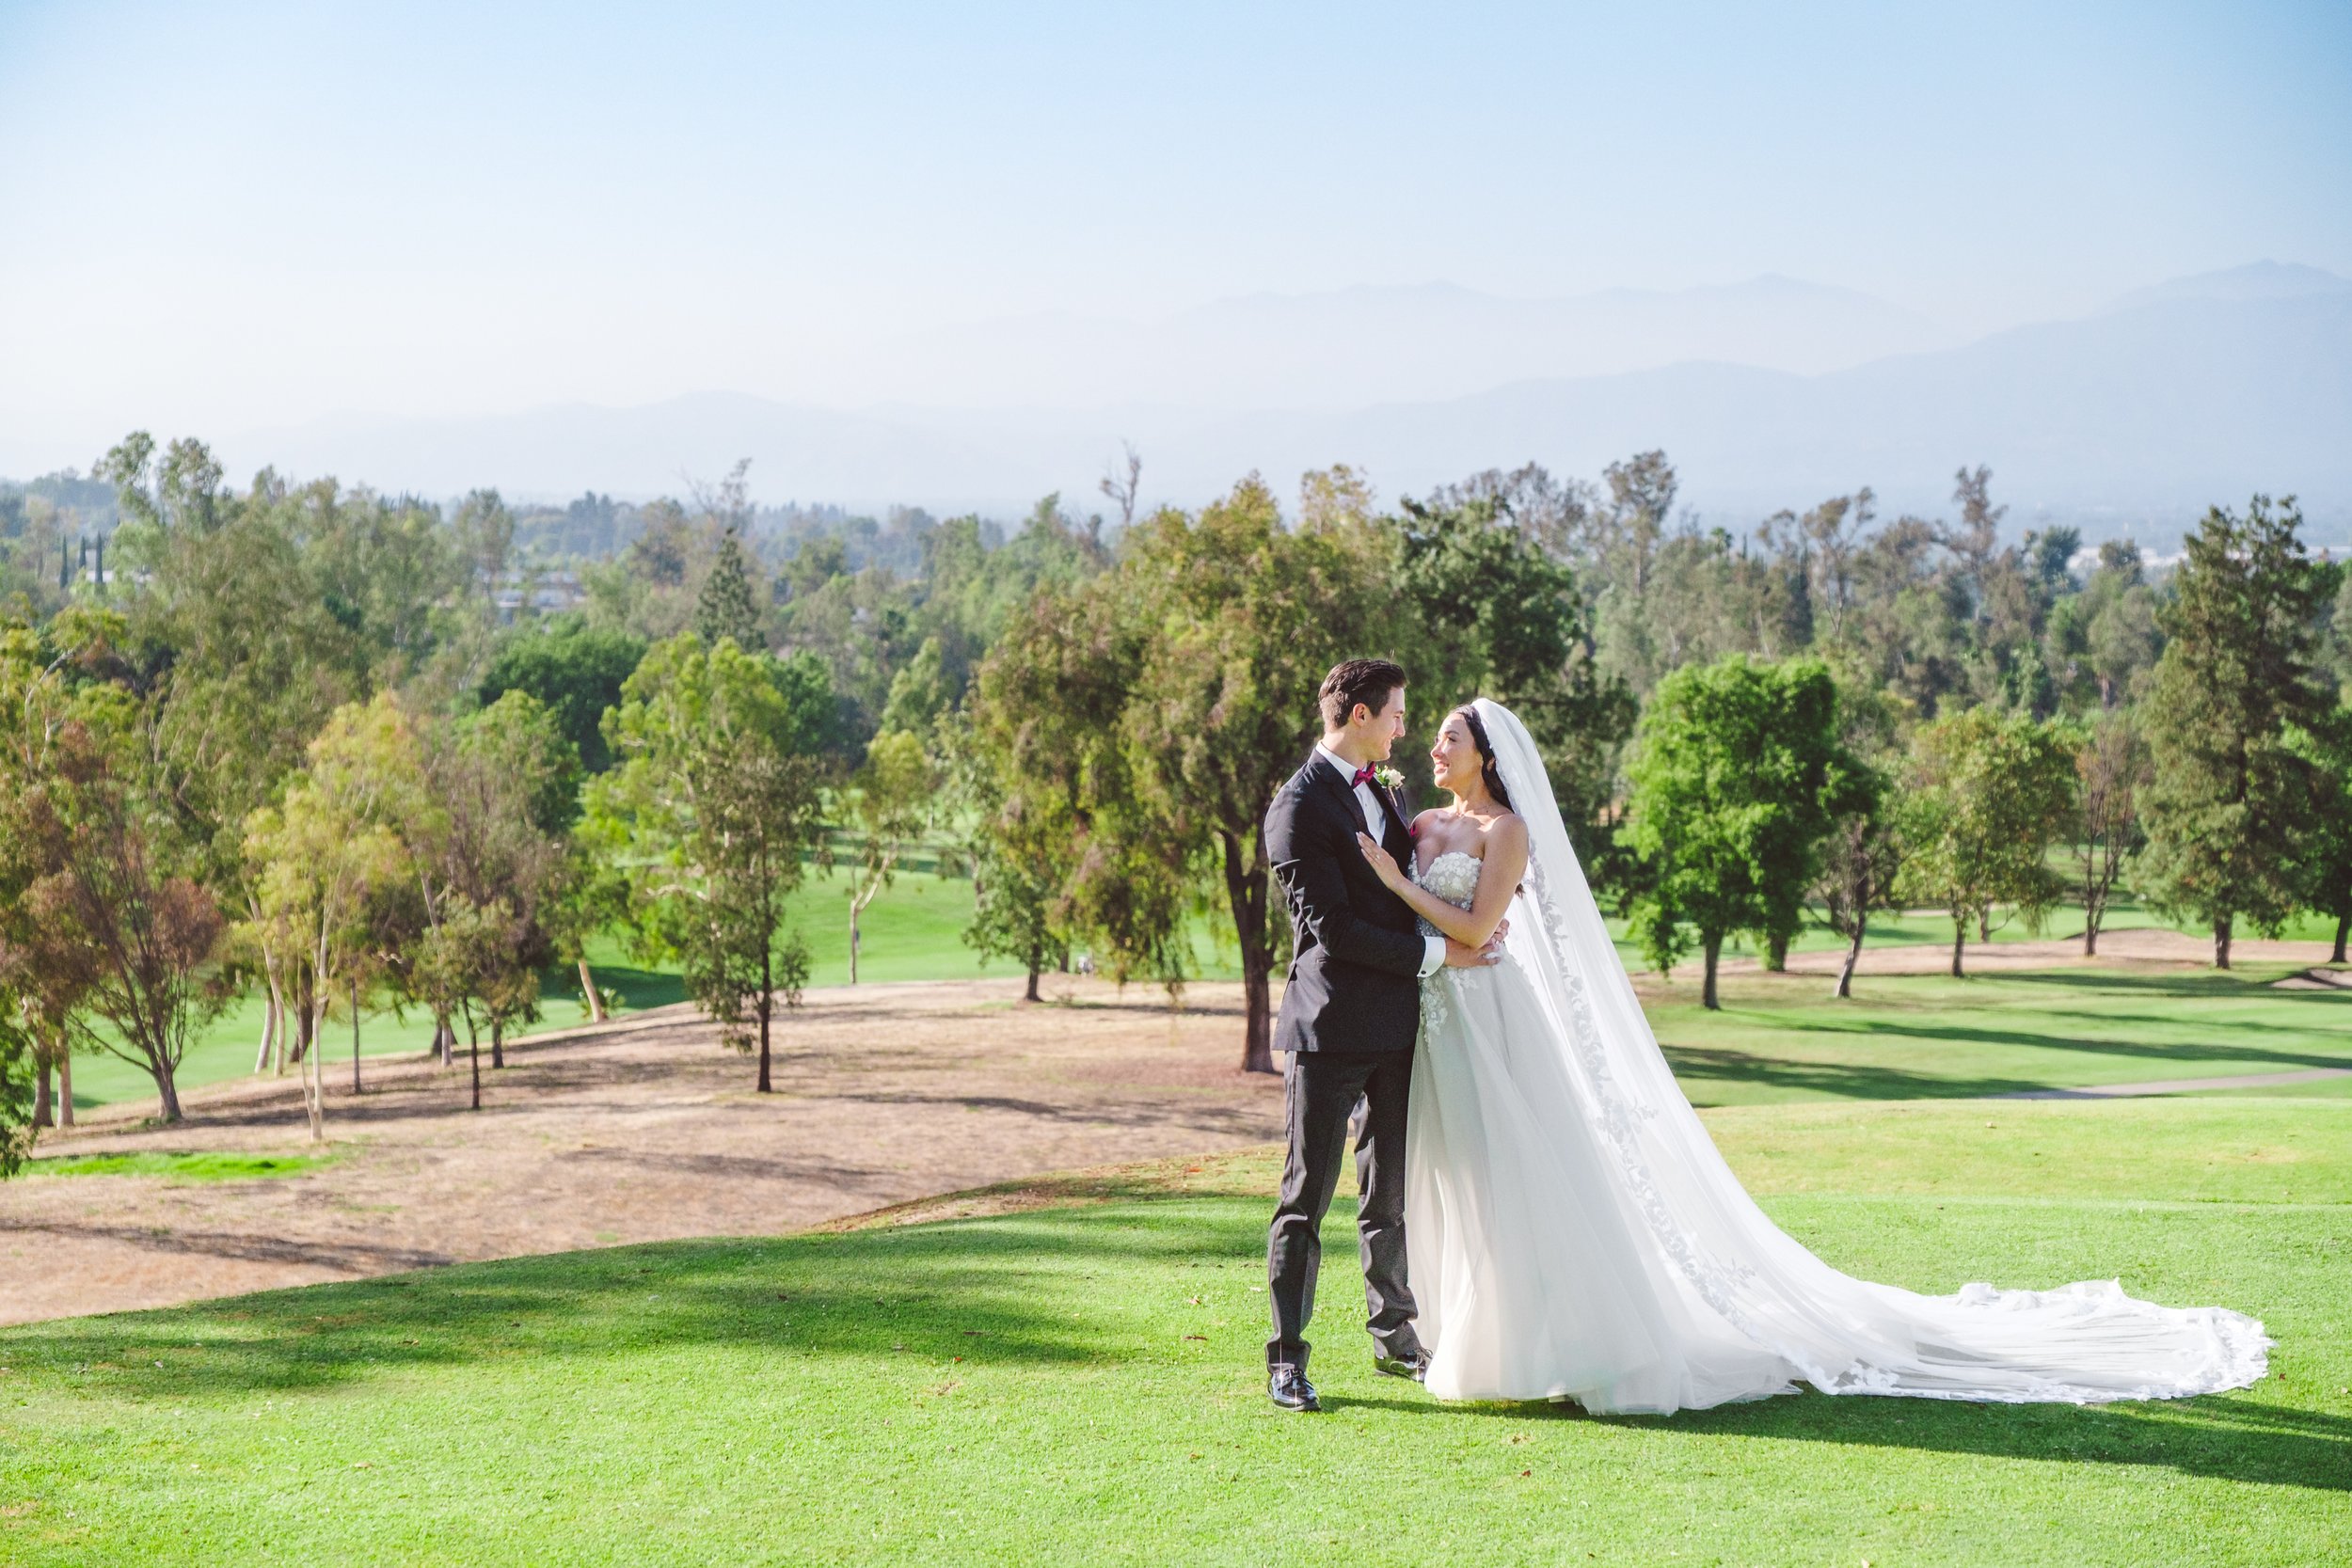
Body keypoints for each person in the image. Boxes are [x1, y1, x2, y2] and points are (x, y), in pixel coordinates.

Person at [1350, 696, 2271, 1412]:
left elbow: (1479, 921)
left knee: (1521, 1176)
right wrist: (1397, 879)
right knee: (1454, 1178)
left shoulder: (1505, 832)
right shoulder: (1421, 823)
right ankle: (1464, 1331)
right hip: (1434, 1022)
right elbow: (1420, 912)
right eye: (1429, 735)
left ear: (1487, 753)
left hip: (1491, 1019)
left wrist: (1404, 891)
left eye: (1448, 737)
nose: (1433, 747)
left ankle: (1550, 1345)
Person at [1259, 659, 1503, 1413]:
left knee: (1386, 1193)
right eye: (1396, 714)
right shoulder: (1296, 808)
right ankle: (1287, 1360)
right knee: (1305, 1196)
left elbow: (1411, 892)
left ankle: (1395, 1334)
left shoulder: (1388, 794)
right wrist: (1441, 953)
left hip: (1400, 1027)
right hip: (1330, 1025)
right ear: (1359, 715)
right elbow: (1332, 929)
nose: (1404, 728)